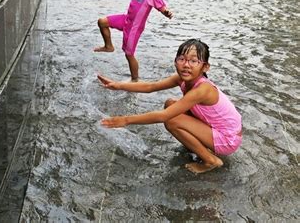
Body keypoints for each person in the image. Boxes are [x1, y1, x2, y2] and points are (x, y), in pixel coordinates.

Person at [99, 39, 242, 174]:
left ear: (205, 67)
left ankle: (210, 160)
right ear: (175, 61)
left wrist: (125, 120)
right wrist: (117, 85)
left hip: (228, 139)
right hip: (217, 130)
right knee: (170, 104)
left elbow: (164, 116)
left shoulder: (203, 89)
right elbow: (151, 86)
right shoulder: (182, 79)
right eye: (182, 59)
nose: (186, 65)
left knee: (171, 120)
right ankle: (201, 147)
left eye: (194, 61)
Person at [94, 0, 173, 81]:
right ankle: (109, 46)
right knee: (102, 22)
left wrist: (166, 12)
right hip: (126, 20)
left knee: (129, 54)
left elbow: (160, 4)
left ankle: (135, 80)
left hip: (134, 28)